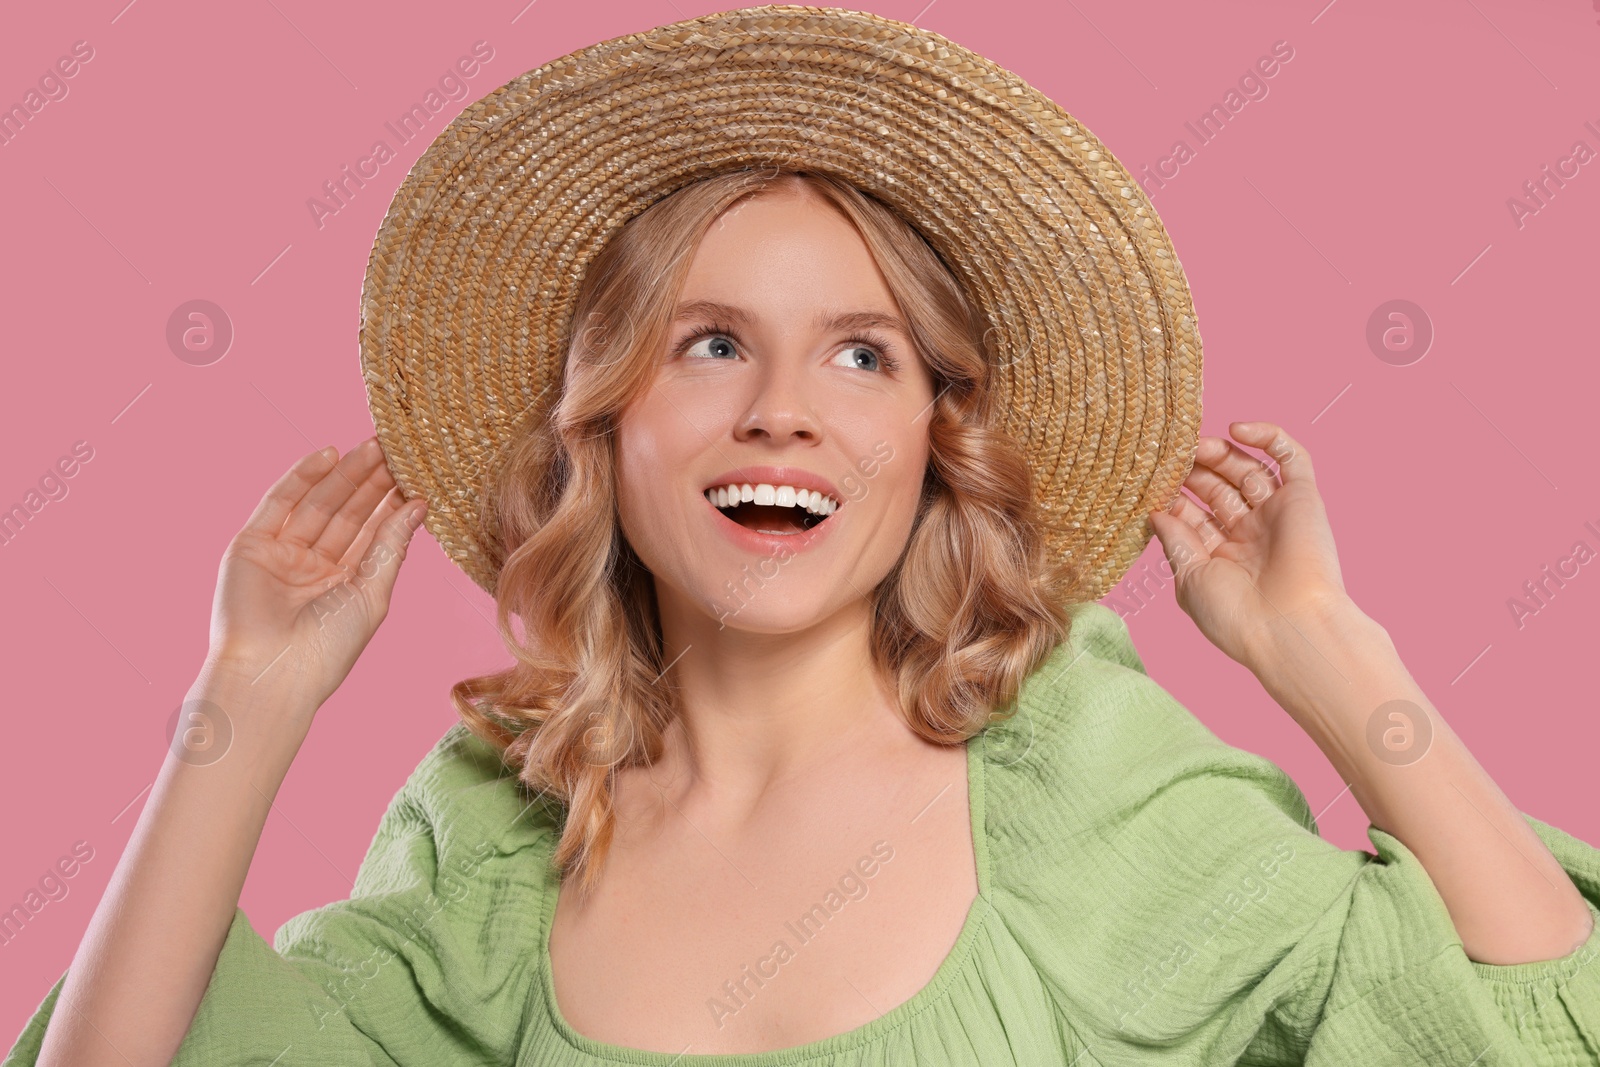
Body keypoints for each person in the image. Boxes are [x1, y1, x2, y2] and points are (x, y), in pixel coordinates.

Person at [9, 8, 1600, 1066]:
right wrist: (245, 704)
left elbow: (1538, 1019)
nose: (782, 409)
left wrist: (1329, 656)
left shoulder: (1076, 769)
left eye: (861, 354)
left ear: (931, 439)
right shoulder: (501, 836)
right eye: (708, 344)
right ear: (606, 429)